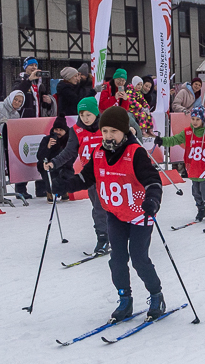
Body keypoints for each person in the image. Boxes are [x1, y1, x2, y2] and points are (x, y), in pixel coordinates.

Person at [55, 106, 165, 322]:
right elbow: (86, 179)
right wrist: (65, 185)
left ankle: (156, 295)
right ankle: (125, 300)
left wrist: (152, 199)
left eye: (113, 131)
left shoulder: (136, 153)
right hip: (115, 214)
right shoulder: (98, 154)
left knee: (139, 259)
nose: (108, 136)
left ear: (124, 131)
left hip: (139, 214)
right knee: (117, 260)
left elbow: (153, 180)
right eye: (104, 131)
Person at [45, 97, 109, 254]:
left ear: (95, 113)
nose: (85, 119)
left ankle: (122, 234)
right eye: (82, 115)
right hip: (91, 176)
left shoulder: (106, 126)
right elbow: (69, 152)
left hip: (111, 173)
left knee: (116, 206)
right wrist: (54, 162)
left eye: (88, 114)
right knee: (99, 208)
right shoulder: (76, 131)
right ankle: (103, 238)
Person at [37, 116, 72, 202]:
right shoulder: (46, 139)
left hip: (64, 164)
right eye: (56, 129)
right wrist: (48, 147)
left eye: (61, 130)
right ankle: (49, 191)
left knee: (66, 172)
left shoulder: (69, 140)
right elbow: (40, 156)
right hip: (48, 165)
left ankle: (64, 190)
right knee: (48, 171)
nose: (58, 132)